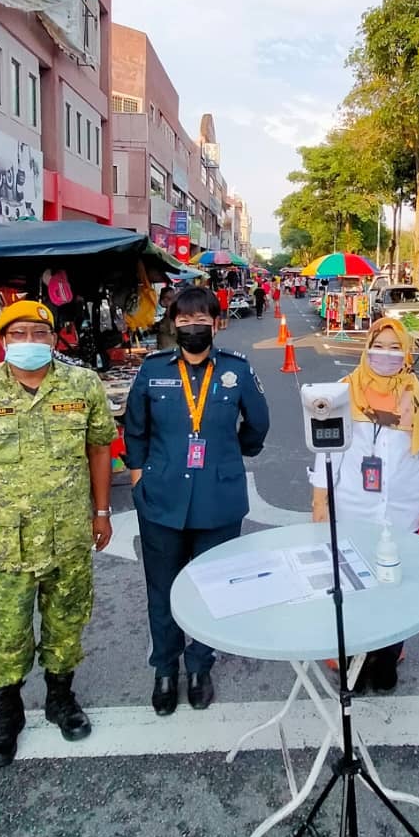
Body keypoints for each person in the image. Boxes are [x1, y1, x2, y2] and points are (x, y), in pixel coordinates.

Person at [0, 300, 117, 768]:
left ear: (54, 339)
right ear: (2, 341)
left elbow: (99, 449)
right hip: (3, 542)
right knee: (6, 632)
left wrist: (102, 511)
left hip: (70, 534)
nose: (29, 343)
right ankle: (8, 714)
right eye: (19, 334)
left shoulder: (82, 383)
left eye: (39, 333)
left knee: (66, 624)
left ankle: (60, 700)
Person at [124, 286, 270, 715]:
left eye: (201, 319)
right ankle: (165, 669)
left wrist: (232, 451)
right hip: (161, 499)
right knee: (163, 590)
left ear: (217, 324)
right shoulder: (152, 371)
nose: (192, 327)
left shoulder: (236, 371)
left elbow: (258, 423)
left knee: (213, 588)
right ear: (173, 324)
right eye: (184, 321)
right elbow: (135, 430)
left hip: (218, 500)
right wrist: (138, 479)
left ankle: (200, 666)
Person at [310, 318, 419, 693]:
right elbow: (331, 453)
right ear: (366, 346)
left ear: (406, 352)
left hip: (406, 510)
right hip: (353, 509)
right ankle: (353, 655)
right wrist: (320, 502)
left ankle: (389, 653)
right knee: (353, 585)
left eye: (395, 348)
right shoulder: (345, 390)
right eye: (379, 345)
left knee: (396, 587)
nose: (386, 355)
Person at [154, 285, 177, 351]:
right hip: (164, 351)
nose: (165, 300)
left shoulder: (175, 316)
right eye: (164, 298)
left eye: (170, 298)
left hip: (172, 352)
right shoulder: (166, 316)